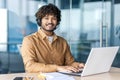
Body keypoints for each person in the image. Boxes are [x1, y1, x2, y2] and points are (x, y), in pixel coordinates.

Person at [21, 3, 84, 73]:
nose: (50, 21)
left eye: (53, 18)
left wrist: (78, 65)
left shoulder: (63, 42)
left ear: (57, 22)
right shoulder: (29, 40)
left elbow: (70, 63)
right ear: (40, 21)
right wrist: (57, 68)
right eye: (46, 18)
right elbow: (30, 66)